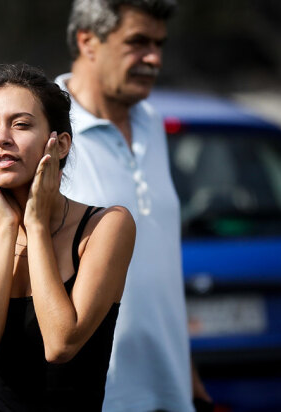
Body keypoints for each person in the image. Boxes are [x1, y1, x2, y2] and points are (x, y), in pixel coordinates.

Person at [0, 64, 136, 411]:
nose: (2, 138)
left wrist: (38, 226)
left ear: (60, 144)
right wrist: (8, 227)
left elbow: (60, 344)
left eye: (21, 124)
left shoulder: (107, 226)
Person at [56, 0, 211, 410]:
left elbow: (156, 269)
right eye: (138, 42)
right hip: (92, 399)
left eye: (159, 44)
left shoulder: (151, 122)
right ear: (88, 41)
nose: (154, 58)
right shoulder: (38, 127)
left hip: (169, 392)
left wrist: (187, 374)